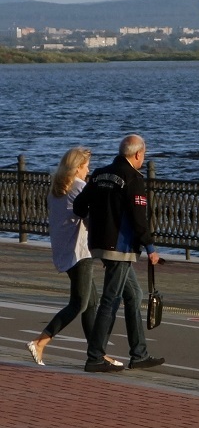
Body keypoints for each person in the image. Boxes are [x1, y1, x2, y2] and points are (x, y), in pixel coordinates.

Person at [73, 134, 164, 373]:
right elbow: (138, 218)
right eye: (143, 154)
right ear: (137, 154)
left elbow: (79, 206)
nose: (143, 158)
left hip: (100, 244)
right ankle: (94, 356)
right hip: (121, 248)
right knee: (110, 299)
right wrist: (151, 248)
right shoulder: (133, 178)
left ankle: (139, 353)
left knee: (134, 295)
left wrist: (98, 220)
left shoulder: (100, 173)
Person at [26, 147, 120, 368]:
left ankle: (95, 354)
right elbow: (90, 217)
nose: (88, 171)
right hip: (80, 252)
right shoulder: (79, 187)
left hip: (64, 252)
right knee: (79, 303)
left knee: (90, 302)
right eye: (86, 166)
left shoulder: (57, 189)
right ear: (77, 167)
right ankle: (41, 341)